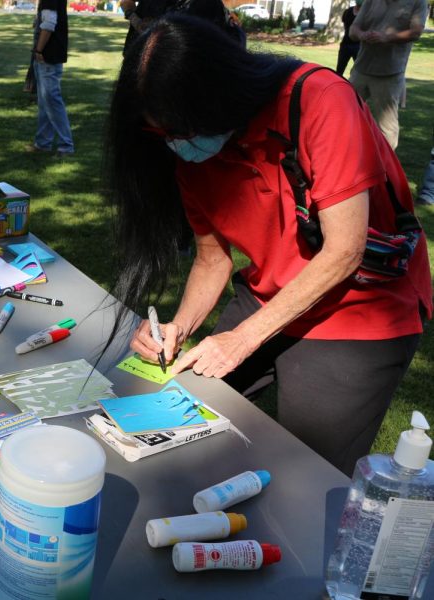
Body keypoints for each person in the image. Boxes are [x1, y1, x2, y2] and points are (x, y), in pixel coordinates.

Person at [108, 16, 431, 476]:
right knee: (174, 422)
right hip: (268, 294)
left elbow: (344, 252)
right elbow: (211, 257)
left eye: (181, 129)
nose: (179, 145)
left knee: (305, 475)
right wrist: (176, 328)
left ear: (219, 97)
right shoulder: (189, 148)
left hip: (358, 312)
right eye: (163, 135)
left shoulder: (319, 100)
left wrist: (241, 340)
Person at [348, 0, 427, 149]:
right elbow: (353, 30)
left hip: (389, 73)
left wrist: (387, 37)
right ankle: (345, 152)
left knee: (386, 127)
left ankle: (386, 168)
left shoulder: (417, 2)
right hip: (361, 69)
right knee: (344, 112)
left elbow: (416, 31)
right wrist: (362, 34)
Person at [26, 0, 73, 156]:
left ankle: (66, 145)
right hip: (49, 55)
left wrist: (38, 50)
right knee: (45, 101)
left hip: (48, 55)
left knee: (51, 99)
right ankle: (43, 143)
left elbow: (49, 23)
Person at [336, 0, 361, 76]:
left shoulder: (366, 14)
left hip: (359, 46)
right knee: (340, 69)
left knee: (358, 70)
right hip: (345, 45)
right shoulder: (348, 11)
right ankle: (337, 86)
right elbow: (345, 25)